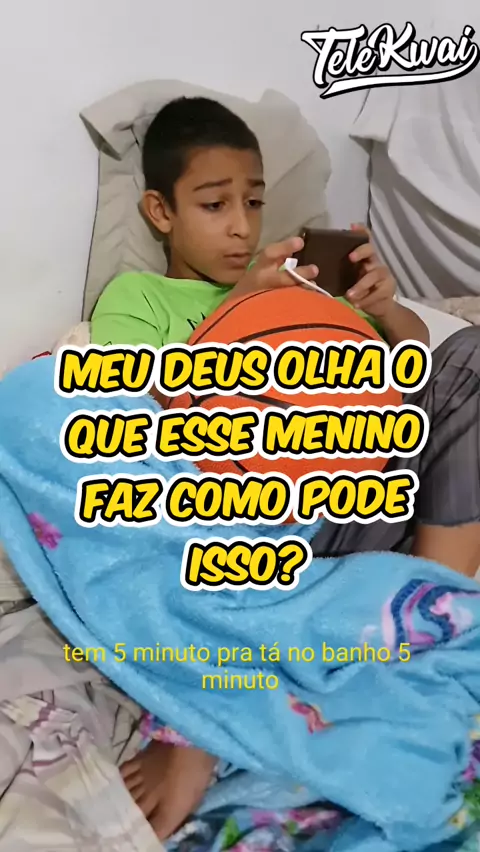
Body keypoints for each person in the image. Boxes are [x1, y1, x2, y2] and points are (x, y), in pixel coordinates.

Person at [90, 97, 479, 839]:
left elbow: (409, 374)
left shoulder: (303, 290)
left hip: (362, 492)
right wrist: (234, 313)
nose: (242, 226)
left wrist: (387, 310)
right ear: (161, 212)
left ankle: (425, 607)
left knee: (472, 355)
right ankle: (208, 715)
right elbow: (129, 410)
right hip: (260, 517)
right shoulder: (141, 297)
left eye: (255, 202)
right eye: (215, 205)